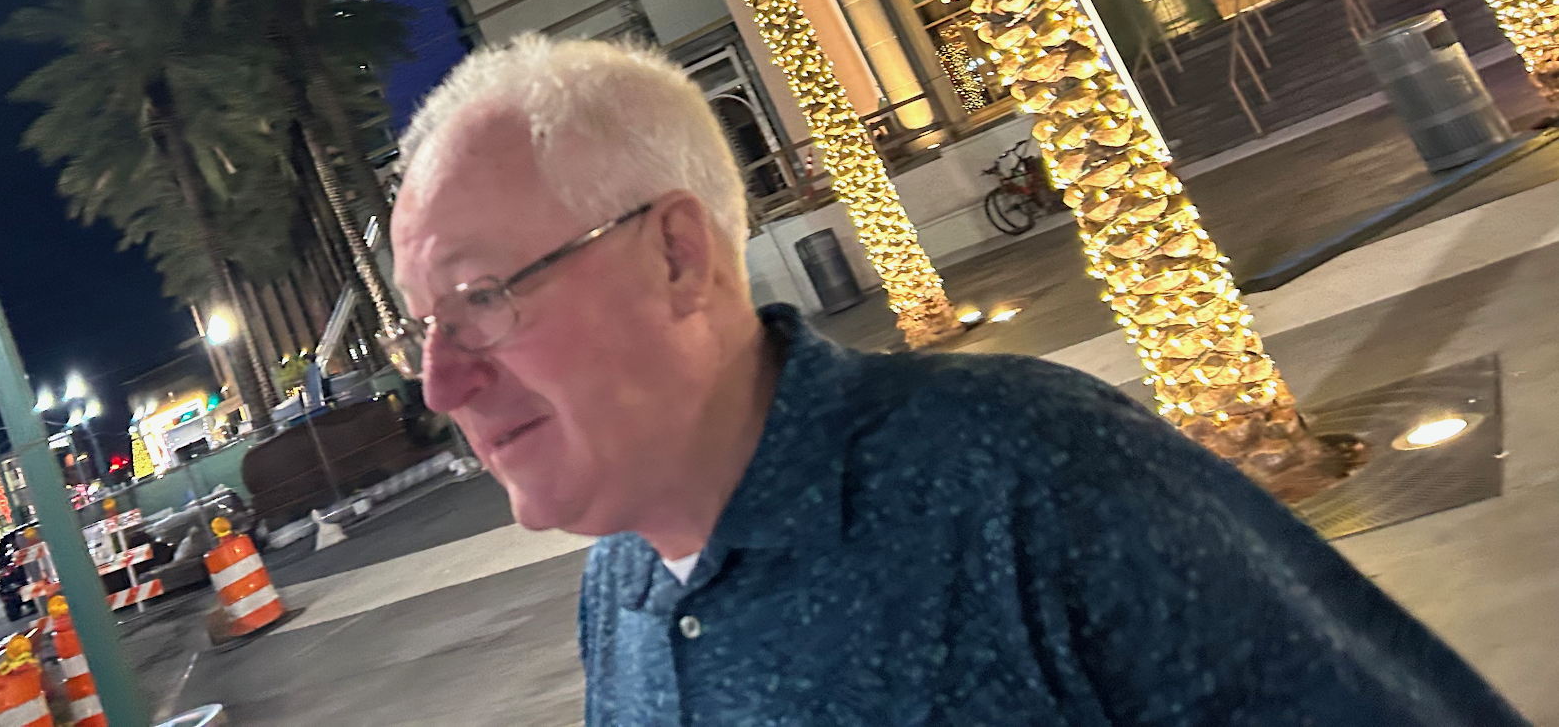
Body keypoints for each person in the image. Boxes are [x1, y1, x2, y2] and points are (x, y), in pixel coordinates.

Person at [388, 35, 1526, 726]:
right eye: (424, 326)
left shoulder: (1035, 479)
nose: (442, 382)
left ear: (678, 256)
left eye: (482, 295)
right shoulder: (618, 590)